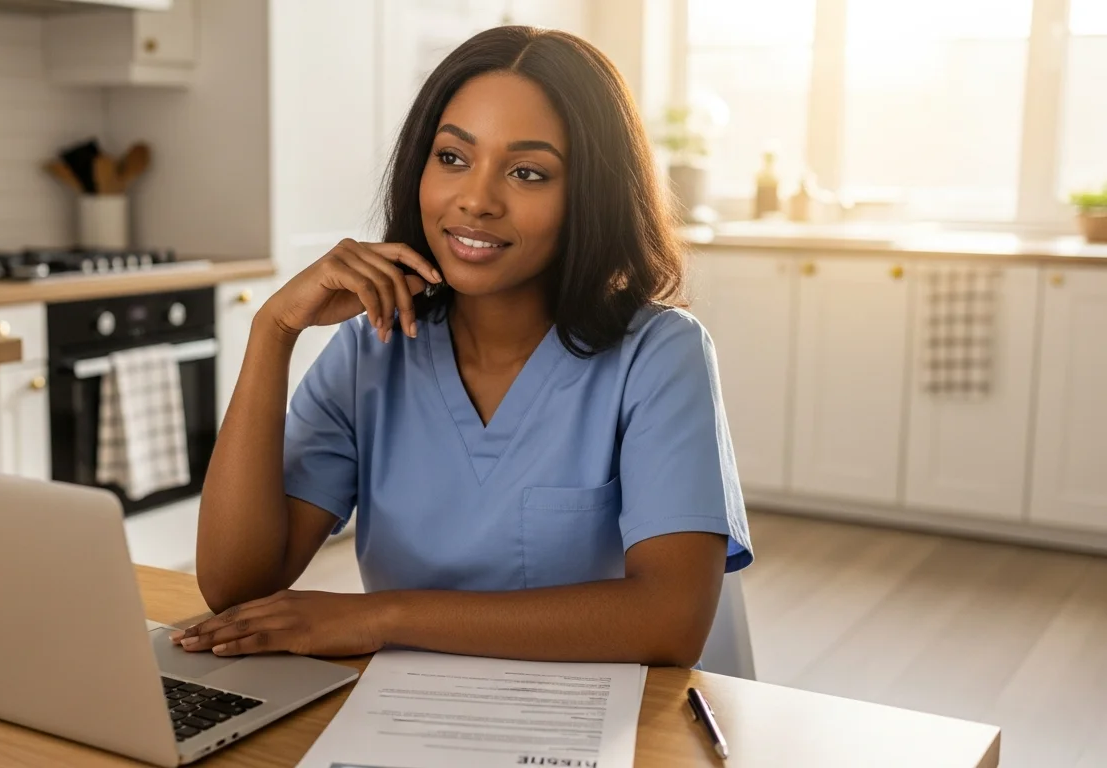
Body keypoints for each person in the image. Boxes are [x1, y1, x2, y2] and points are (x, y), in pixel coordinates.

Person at [175, 25, 752, 666]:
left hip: (611, 714)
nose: (476, 201)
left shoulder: (659, 355)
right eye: (452, 158)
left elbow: (670, 621)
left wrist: (380, 617)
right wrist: (273, 331)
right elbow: (236, 588)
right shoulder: (371, 350)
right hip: (410, 711)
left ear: (591, 195)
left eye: (528, 173)